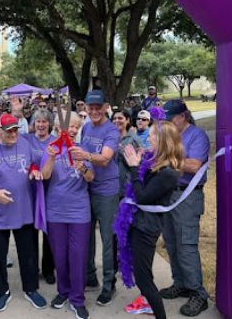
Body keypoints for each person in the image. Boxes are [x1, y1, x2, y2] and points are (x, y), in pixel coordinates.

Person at [0, 113, 48, 312]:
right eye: (9, 131)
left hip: (24, 209)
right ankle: (1, 292)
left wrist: (33, 170)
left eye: (16, 130)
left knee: (28, 253)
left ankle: (31, 289)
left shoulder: (24, 143)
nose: (13, 134)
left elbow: (32, 163)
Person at [117, 121, 183, 319]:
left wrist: (135, 168)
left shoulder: (168, 172)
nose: (149, 138)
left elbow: (142, 196)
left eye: (153, 135)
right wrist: (137, 163)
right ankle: (147, 304)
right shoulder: (157, 164)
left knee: (144, 280)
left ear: (163, 141)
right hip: (139, 222)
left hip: (147, 227)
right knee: (143, 273)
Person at [68, 90, 120, 306]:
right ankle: (90, 277)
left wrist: (86, 155)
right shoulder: (87, 126)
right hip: (87, 187)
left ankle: (109, 284)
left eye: (99, 107)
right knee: (86, 235)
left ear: (106, 107)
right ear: (86, 108)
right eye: (91, 107)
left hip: (107, 191)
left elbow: (105, 159)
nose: (95, 111)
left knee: (108, 239)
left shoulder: (111, 130)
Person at [159, 100, 211, 316]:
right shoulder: (169, 134)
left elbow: (194, 165)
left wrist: (164, 159)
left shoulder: (197, 136)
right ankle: (180, 283)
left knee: (186, 244)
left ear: (184, 116)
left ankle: (198, 293)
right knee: (171, 242)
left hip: (187, 196)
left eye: (170, 118)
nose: (167, 122)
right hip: (168, 194)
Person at [40, 119, 94, 319]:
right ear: (58, 128)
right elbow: (45, 176)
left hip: (79, 212)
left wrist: (82, 166)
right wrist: (51, 158)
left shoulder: (82, 149)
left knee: (78, 256)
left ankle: (77, 299)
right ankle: (63, 292)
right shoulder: (51, 149)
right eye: (69, 126)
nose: (72, 129)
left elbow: (91, 177)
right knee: (60, 256)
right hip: (55, 211)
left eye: (75, 126)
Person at [23, 110, 57, 285]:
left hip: (50, 191)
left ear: (49, 124)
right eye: (38, 121)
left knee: (48, 232)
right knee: (30, 233)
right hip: (29, 191)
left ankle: (48, 269)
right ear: (33, 123)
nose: (41, 125)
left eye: (44, 121)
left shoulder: (55, 141)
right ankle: (32, 268)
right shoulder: (26, 139)